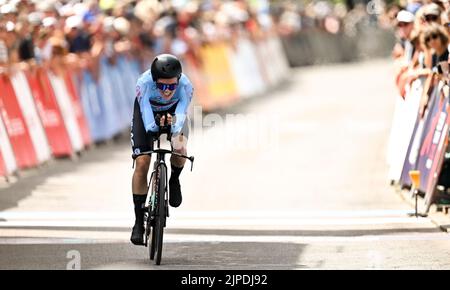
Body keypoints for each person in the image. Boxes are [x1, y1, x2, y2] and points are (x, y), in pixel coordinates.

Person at [130, 54, 193, 246]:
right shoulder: (144, 83)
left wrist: (174, 129)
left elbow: (181, 113)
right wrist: (154, 125)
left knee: (179, 146)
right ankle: (139, 221)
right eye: (162, 86)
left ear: (178, 81)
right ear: (154, 81)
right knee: (142, 162)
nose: (167, 90)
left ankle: (174, 179)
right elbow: (147, 117)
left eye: (171, 86)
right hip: (147, 113)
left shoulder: (186, 86)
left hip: (175, 114)